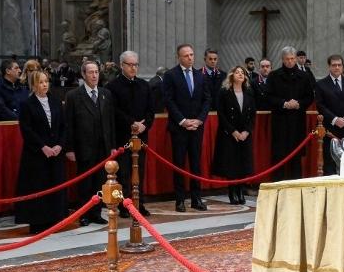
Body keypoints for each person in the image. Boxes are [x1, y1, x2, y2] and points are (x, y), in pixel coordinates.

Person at [64, 60, 117, 225]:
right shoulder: (73, 96)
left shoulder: (105, 93)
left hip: (103, 147)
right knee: (85, 184)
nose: (94, 75)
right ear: (83, 74)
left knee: (100, 182)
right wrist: (69, 148)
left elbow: (111, 122)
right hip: (84, 147)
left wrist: (113, 146)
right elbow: (69, 124)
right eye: (91, 72)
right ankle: (84, 214)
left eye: (96, 72)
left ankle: (96, 213)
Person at [14, 70, 66, 234]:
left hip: (55, 153)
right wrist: (42, 147)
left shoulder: (56, 102)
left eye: (46, 81)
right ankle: (38, 223)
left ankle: (55, 220)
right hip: (36, 154)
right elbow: (27, 130)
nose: (44, 85)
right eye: (41, 82)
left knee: (55, 186)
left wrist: (59, 145)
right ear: (34, 85)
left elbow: (63, 126)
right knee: (38, 187)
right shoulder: (27, 104)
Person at [163, 44, 211, 212]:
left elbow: (206, 100)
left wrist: (199, 120)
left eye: (191, 54)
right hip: (179, 128)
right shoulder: (171, 75)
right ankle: (180, 200)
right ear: (179, 57)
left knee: (196, 164)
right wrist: (183, 121)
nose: (190, 58)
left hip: (197, 127)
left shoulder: (200, 75)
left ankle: (196, 199)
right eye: (186, 56)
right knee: (179, 164)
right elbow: (169, 101)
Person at [106, 51, 155, 218]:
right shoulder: (112, 87)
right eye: (130, 64)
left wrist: (144, 125)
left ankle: (139, 203)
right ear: (122, 65)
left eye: (136, 65)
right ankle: (124, 205)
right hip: (123, 136)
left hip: (141, 136)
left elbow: (151, 110)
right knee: (124, 173)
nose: (133, 68)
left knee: (139, 171)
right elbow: (114, 111)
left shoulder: (144, 85)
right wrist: (131, 123)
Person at [266, 46, 314, 180]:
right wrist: (284, 103)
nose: (290, 61)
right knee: (279, 155)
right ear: (282, 59)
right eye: (287, 59)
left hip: (297, 121)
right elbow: (268, 96)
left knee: (296, 155)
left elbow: (309, 96)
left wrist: (299, 103)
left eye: (292, 58)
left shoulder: (304, 76)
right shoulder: (274, 75)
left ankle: (295, 184)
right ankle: (278, 184)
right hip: (280, 120)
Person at [212, 66, 257, 204]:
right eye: (237, 72)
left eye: (242, 73)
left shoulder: (249, 92)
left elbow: (252, 114)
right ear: (232, 75)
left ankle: (240, 190)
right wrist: (234, 131)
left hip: (244, 133)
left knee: (242, 164)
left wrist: (246, 131)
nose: (240, 74)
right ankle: (232, 192)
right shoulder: (224, 92)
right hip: (229, 133)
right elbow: (222, 114)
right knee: (231, 164)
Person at [315, 54, 344, 175]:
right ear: (329, 67)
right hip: (330, 129)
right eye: (334, 65)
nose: (337, 67)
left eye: (339, 65)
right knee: (329, 160)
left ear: (343, 66)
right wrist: (335, 119)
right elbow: (320, 105)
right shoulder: (321, 84)